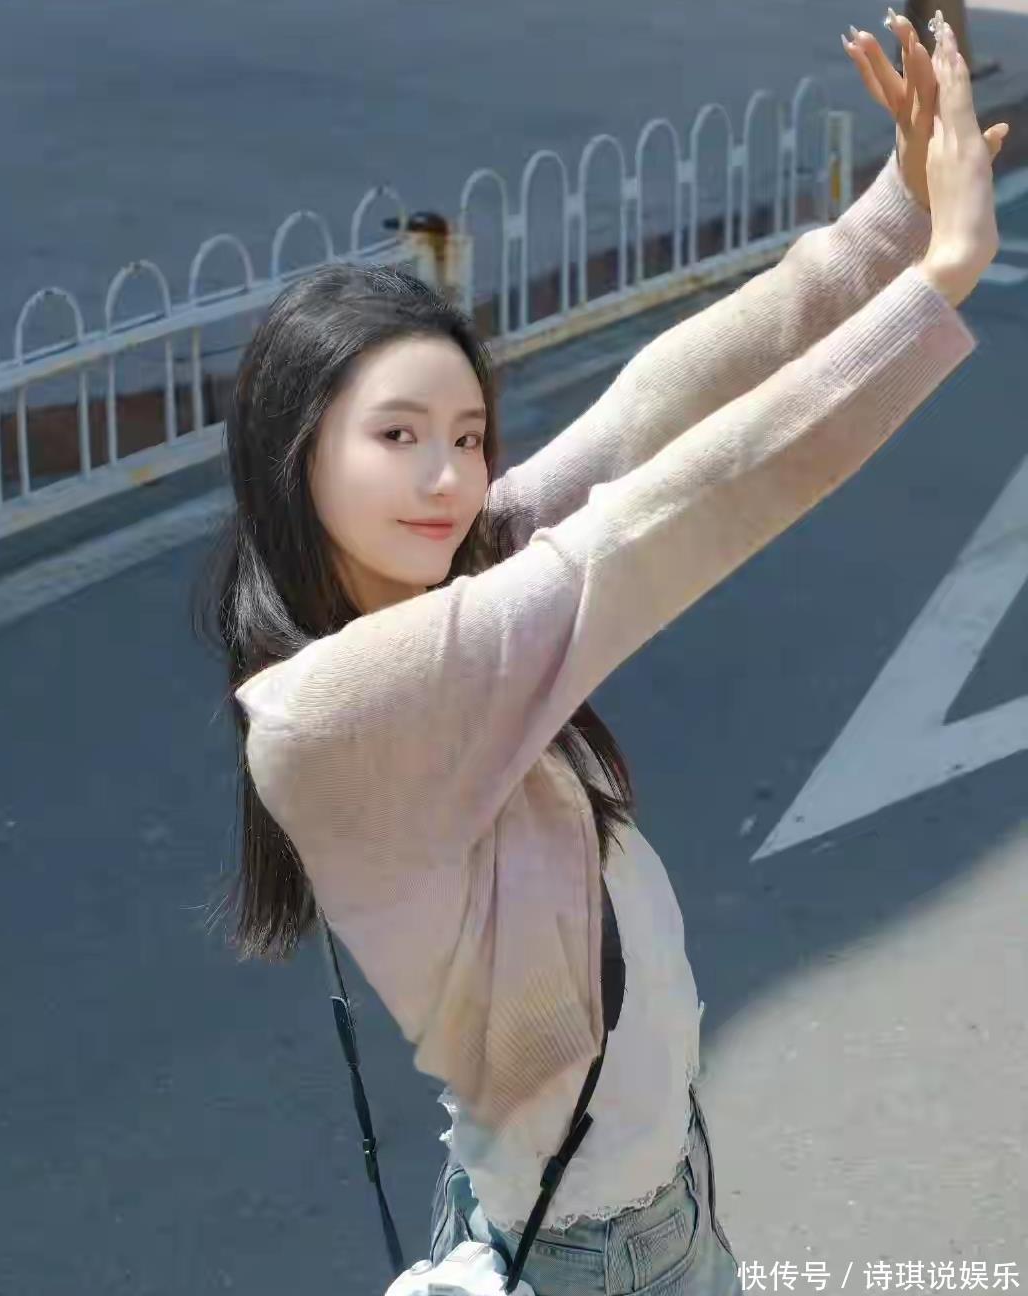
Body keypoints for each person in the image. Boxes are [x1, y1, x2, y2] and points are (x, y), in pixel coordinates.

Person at [195, 15, 1003, 1295]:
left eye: (467, 434)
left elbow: (652, 411)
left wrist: (894, 214)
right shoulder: (332, 709)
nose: (449, 476)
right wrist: (938, 279)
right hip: (581, 1257)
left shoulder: (452, 576)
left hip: (652, 1198)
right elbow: (655, 518)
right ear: (295, 459)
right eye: (396, 436)